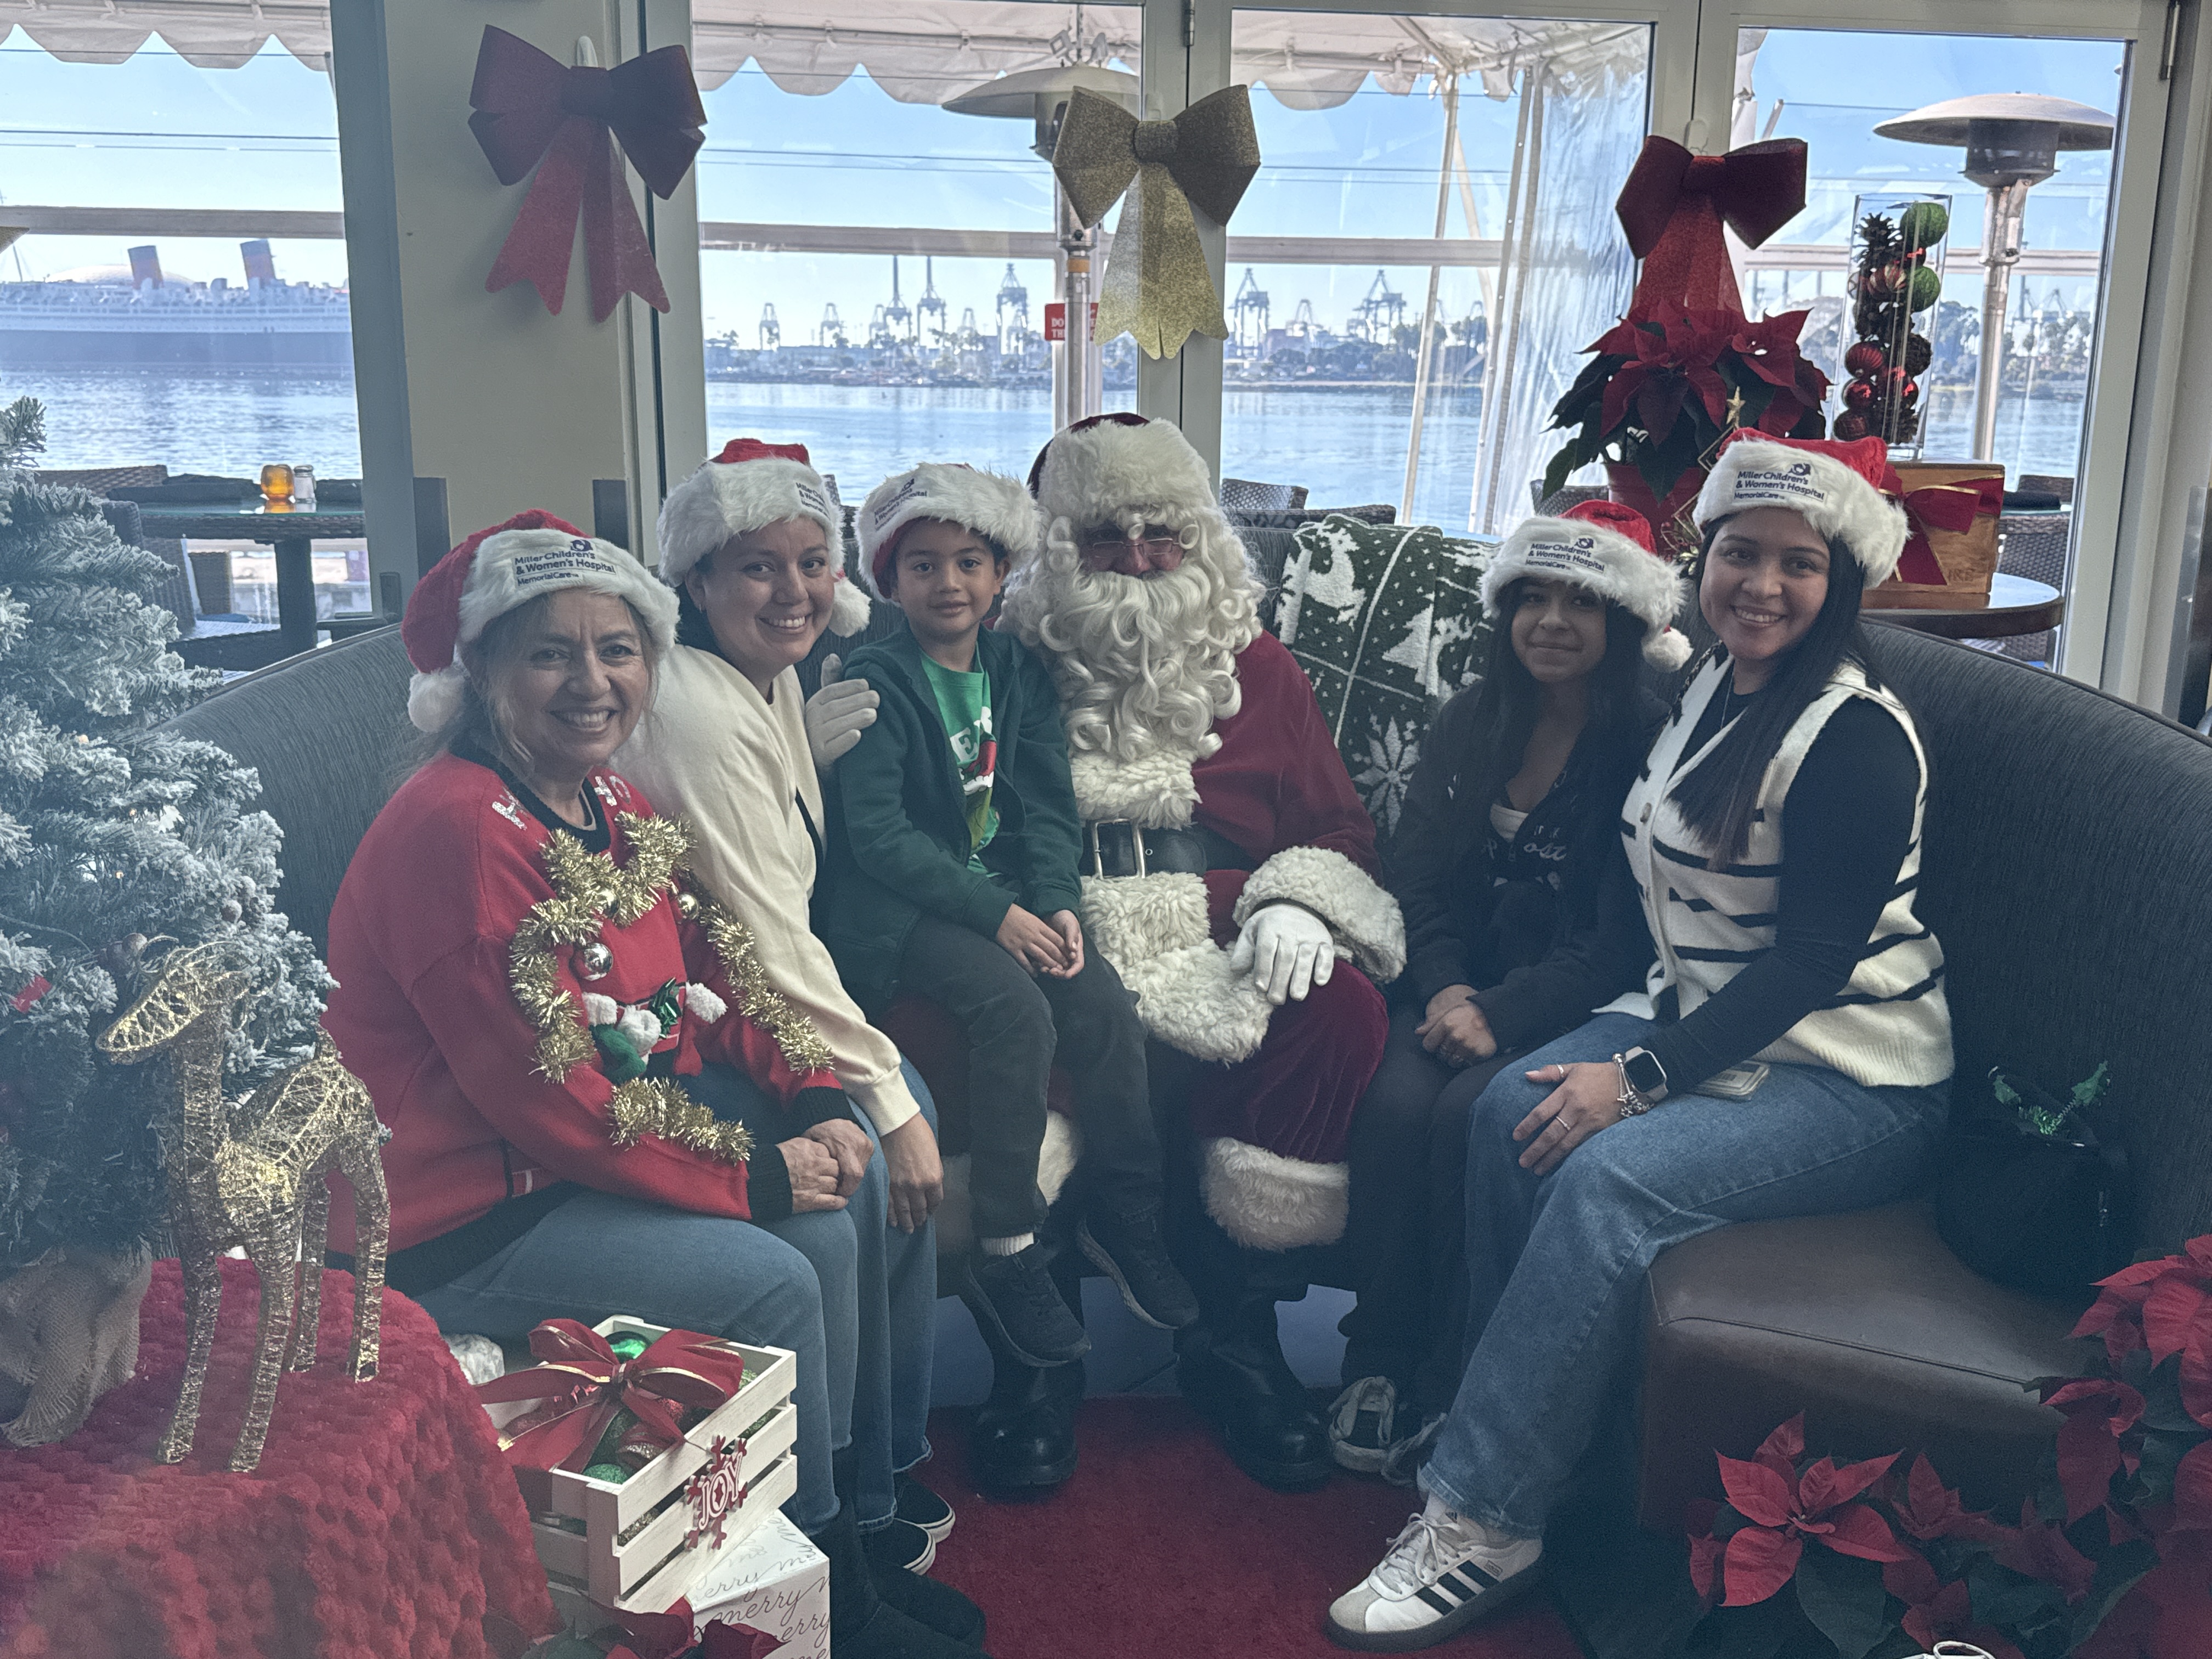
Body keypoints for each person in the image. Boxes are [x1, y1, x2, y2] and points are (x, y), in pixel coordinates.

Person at [322, 510, 987, 1659]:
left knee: (845, 1204)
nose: (592, 681)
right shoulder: (458, 833)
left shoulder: (609, 802)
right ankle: (824, 1581)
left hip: (565, 1156)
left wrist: (820, 1093)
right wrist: (760, 1174)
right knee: (777, 1280)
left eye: (616, 649)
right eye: (550, 653)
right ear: (481, 673)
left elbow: (720, 962)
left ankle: (855, 1528)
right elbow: (550, 1100)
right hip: (460, 1213)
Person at [1327, 433, 1955, 1651]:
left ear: (1843, 584)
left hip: (1855, 1077)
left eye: (1797, 565)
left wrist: (1640, 1076)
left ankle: (1485, 1518)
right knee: (1512, 1108)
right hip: (1713, 1023)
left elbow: (1808, 968)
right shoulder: (1713, 688)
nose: (1761, 586)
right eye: (1739, 556)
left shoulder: (1855, 738)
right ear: (1703, 563)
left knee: (1605, 1177)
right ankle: (1493, 1419)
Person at [990, 412, 1405, 1493]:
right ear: (1056, 548)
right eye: (1104, 536)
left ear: (1202, 539)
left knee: (1339, 1011)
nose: (1137, 559)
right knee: (996, 1035)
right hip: (1055, 920)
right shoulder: (995, 659)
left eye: (1163, 533)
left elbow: (1335, 833)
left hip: (1224, 921)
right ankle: (1036, 1358)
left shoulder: (1259, 667)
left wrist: (1298, 907)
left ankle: (1233, 1333)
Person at [813, 461, 1197, 1371]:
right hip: (902, 912)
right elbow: (879, 838)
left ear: (999, 577)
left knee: (1101, 1004)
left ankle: (1128, 1213)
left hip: (1006, 895)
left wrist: (1057, 905)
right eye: (923, 566)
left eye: (969, 563)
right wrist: (999, 919)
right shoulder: (877, 676)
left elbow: (1048, 805)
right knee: (1015, 1010)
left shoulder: (1015, 668)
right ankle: (1007, 1247)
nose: (948, 583)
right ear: (888, 579)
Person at [1329, 500, 1680, 1477]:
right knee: (1397, 1106)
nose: (1552, 622)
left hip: (1575, 1004)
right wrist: (1444, 992)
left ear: (1625, 623)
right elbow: (1418, 875)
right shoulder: (1473, 718)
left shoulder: (1648, 743)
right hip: (1449, 990)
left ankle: (1460, 1371)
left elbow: (1622, 939)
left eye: (1582, 601)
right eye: (1532, 598)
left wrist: (1501, 1015)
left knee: (1472, 1119)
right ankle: (1378, 1356)